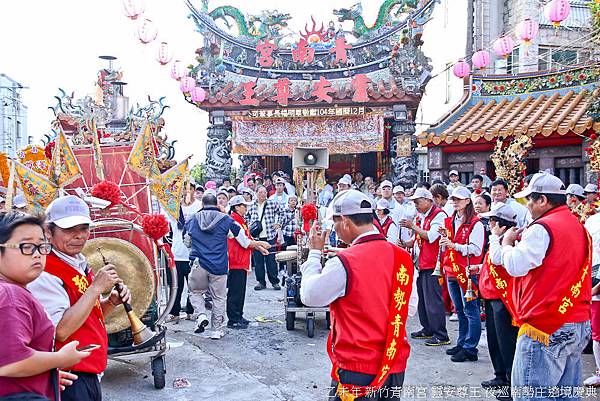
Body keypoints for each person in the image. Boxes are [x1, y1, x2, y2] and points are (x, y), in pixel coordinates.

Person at [300, 190, 416, 401]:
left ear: (344, 221)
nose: (334, 230)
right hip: (393, 363)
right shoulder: (403, 257)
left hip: (358, 367)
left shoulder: (345, 262)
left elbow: (310, 297)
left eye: (334, 224)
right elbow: (410, 307)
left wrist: (314, 254)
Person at [491, 172, 591, 399]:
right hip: (576, 321)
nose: (527, 206)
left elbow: (516, 265)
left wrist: (506, 244)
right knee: (566, 395)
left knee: (531, 394)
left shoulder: (542, 227)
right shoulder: (577, 226)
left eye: (529, 200)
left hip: (547, 323)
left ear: (543, 201)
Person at [28, 196, 132, 401]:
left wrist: (110, 302)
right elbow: (61, 330)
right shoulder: (46, 272)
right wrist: (95, 288)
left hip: (89, 372)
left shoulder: (77, 263)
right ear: (48, 232)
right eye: (68, 229)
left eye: (83, 228)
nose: (78, 236)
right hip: (69, 377)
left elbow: (86, 314)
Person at [0, 212, 90, 401]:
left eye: (42, 246)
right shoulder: (11, 295)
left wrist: (45, 375)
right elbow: (11, 362)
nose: (37, 254)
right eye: (26, 246)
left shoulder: (15, 291)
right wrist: (61, 359)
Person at [184, 193, 269, 339]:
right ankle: (216, 330)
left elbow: (187, 241)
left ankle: (201, 315)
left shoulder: (192, 220)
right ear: (216, 204)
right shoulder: (226, 220)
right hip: (219, 265)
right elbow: (242, 240)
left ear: (202, 205)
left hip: (198, 263)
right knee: (218, 298)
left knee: (196, 292)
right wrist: (260, 244)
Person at [477, 203, 519, 395]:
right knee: (494, 340)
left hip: (503, 299)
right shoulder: (496, 239)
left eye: (491, 221)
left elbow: (497, 259)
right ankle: (500, 375)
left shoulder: (507, 240)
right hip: (491, 295)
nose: (488, 225)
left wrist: (495, 236)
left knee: (507, 342)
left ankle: (511, 383)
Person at [439, 187, 485, 362]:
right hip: (451, 270)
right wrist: (445, 243)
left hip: (467, 272)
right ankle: (462, 341)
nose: (455, 201)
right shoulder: (450, 220)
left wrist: (453, 245)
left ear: (467, 201)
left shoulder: (476, 223)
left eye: (459, 199)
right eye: (453, 199)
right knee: (459, 310)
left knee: (470, 311)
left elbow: (475, 249)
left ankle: (470, 347)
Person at [400, 188, 451, 346]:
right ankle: (427, 328)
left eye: (418, 201)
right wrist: (406, 243)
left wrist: (412, 227)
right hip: (422, 262)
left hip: (433, 263)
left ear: (429, 200)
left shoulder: (439, 215)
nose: (415, 204)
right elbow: (419, 238)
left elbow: (430, 236)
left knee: (433, 300)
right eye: (414, 202)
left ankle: (441, 334)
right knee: (423, 298)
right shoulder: (422, 216)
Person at [226, 196, 269, 329]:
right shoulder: (234, 222)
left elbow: (248, 239)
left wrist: (260, 248)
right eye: (244, 205)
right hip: (235, 260)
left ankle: (239, 316)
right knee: (235, 291)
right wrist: (261, 243)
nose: (246, 208)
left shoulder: (241, 221)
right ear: (237, 207)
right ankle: (233, 319)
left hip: (241, 260)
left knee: (240, 291)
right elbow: (245, 242)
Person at [164, 184, 202, 322]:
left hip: (193, 252)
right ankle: (174, 312)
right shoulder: (173, 207)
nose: (187, 192)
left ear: (193, 191)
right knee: (176, 286)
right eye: (184, 189)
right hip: (177, 252)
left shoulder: (199, 206)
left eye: (190, 189)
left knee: (194, 285)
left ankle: (191, 311)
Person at [247, 186, 284, 290]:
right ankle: (261, 282)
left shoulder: (271, 203)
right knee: (258, 261)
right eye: (260, 192)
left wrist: (278, 224)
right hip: (256, 237)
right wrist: (249, 226)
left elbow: (282, 212)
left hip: (269, 235)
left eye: (264, 192)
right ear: (256, 193)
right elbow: (246, 216)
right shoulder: (252, 205)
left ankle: (274, 281)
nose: (263, 194)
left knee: (271, 260)